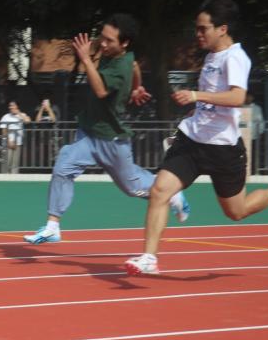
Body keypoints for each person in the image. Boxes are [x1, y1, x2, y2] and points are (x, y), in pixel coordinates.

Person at [125, 0, 268, 275]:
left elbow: (237, 97)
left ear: (222, 28)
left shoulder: (236, 58)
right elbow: (213, 101)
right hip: (192, 141)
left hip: (222, 149)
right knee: (160, 190)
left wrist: (196, 95)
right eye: (196, 28)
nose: (197, 34)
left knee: (236, 211)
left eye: (203, 28)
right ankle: (149, 258)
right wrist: (196, 110)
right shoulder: (210, 57)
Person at [24, 14, 190, 245]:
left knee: (132, 186)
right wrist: (136, 87)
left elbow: (101, 90)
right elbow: (135, 66)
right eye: (102, 37)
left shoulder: (120, 66)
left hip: (112, 139)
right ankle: (53, 226)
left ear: (124, 43)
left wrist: (85, 59)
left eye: (109, 40)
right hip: (89, 133)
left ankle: (172, 193)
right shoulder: (120, 56)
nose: (103, 43)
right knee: (63, 166)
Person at [0, 101, 31, 173]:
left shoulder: (22, 115)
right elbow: (3, 130)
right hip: (8, 143)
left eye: (12, 105)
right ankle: (4, 177)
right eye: (10, 106)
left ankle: (14, 177)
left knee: (15, 164)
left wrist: (19, 113)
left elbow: (28, 121)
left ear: (17, 106)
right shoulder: (6, 116)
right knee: (6, 163)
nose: (10, 107)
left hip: (18, 143)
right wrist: (8, 141)